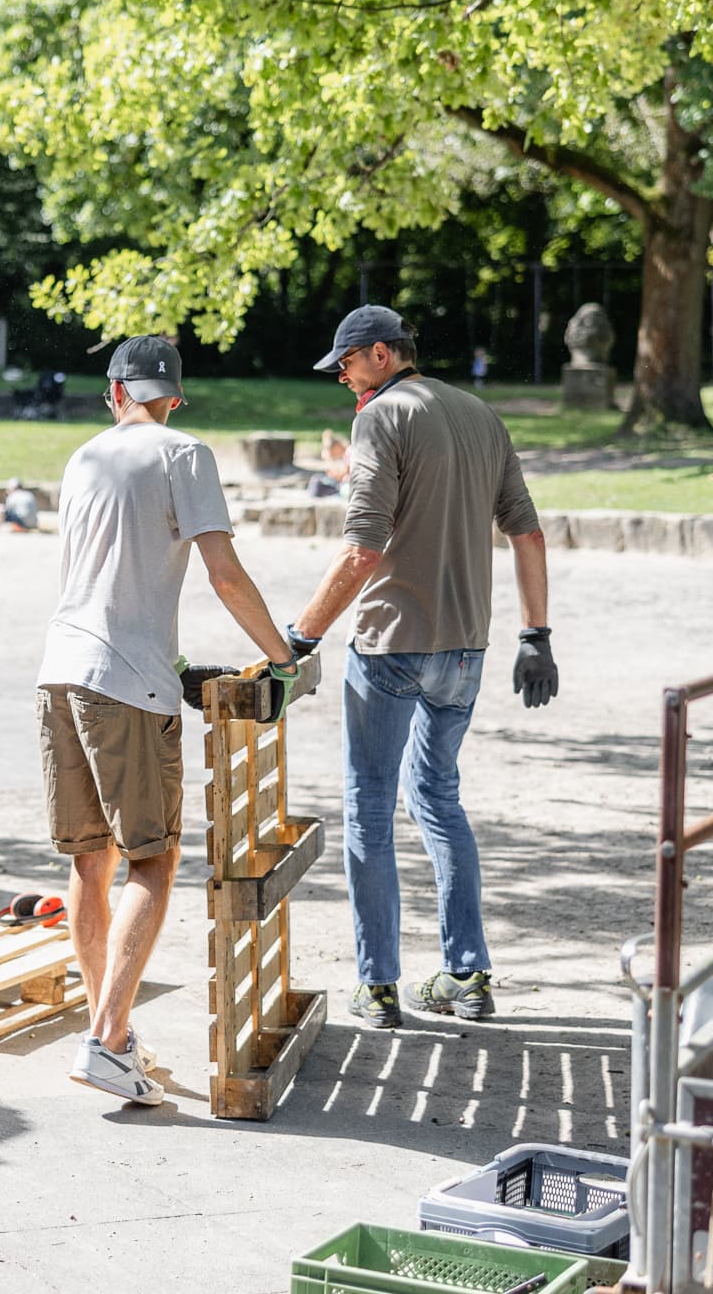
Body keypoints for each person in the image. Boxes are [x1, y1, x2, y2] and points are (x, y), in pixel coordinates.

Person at [40, 335, 299, 1105]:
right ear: (173, 396)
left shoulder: (83, 458)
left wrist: (174, 662)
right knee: (153, 858)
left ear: (113, 391)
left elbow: (99, 581)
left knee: (89, 861)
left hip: (59, 672)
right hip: (128, 686)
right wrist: (281, 658)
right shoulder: (184, 454)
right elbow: (221, 571)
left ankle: (110, 1035)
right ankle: (104, 1040)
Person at [283, 305, 557, 1032]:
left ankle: (377, 987)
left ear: (380, 354)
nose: (341, 377)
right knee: (438, 799)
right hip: (466, 649)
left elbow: (361, 548)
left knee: (369, 808)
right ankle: (468, 975)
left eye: (345, 363)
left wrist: (301, 637)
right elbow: (527, 531)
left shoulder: (380, 418)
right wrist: (537, 634)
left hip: (391, 647)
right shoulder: (478, 413)